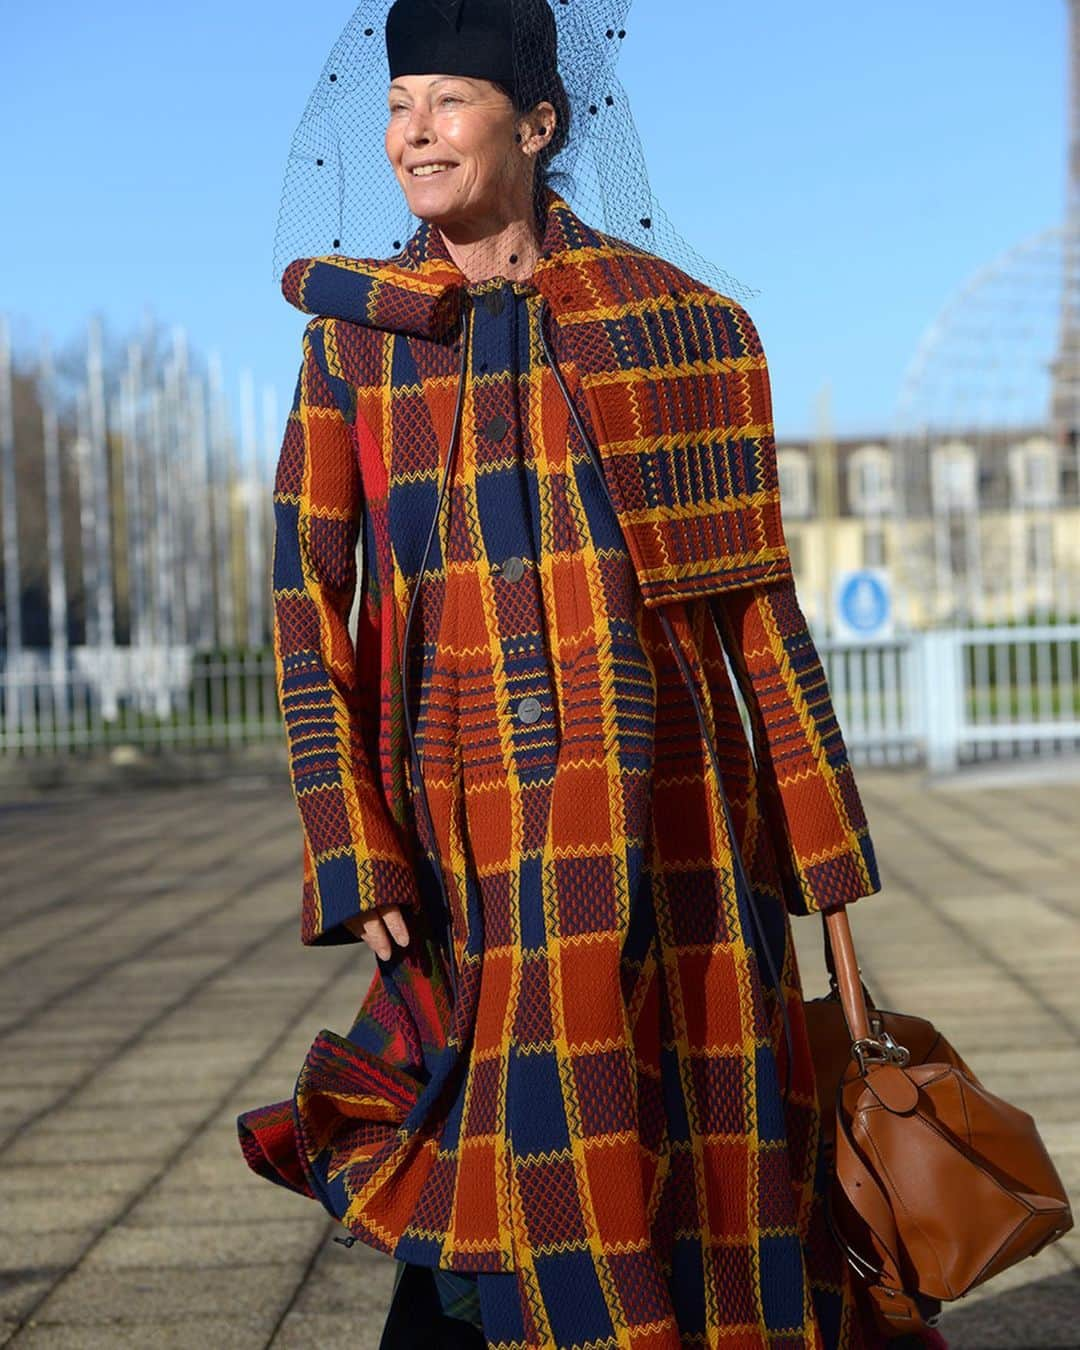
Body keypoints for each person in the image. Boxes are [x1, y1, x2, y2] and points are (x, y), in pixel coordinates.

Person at [237, 3, 941, 1346]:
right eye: (400, 107)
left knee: (709, 1168)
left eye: (448, 102)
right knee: (497, 1164)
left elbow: (757, 617)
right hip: (471, 853)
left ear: (539, 123)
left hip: (678, 829)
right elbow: (304, 601)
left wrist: (834, 894)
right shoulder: (356, 341)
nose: (413, 136)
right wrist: (351, 843)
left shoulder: (681, 331)